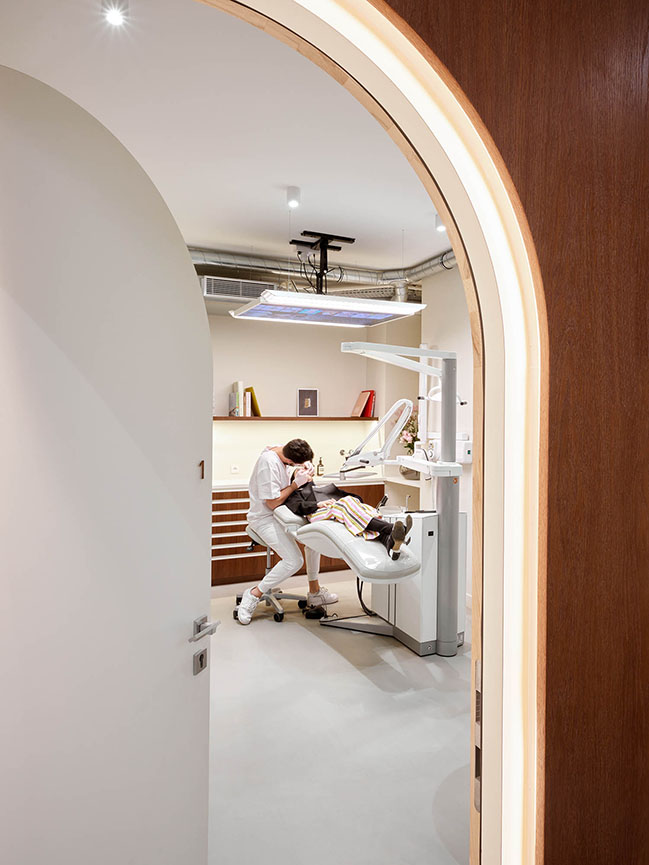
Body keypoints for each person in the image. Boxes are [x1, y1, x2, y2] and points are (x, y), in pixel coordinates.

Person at [236, 439, 339, 626]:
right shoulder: (267, 463)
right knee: (294, 560)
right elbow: (272, 502)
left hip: (284, 513)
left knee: (315, 537)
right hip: (265, 518)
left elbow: (284, 470)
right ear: (290, 460)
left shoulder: (282, 450)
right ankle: (253, 594)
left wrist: (303, 468)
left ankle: (314, 593)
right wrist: (295, 484)